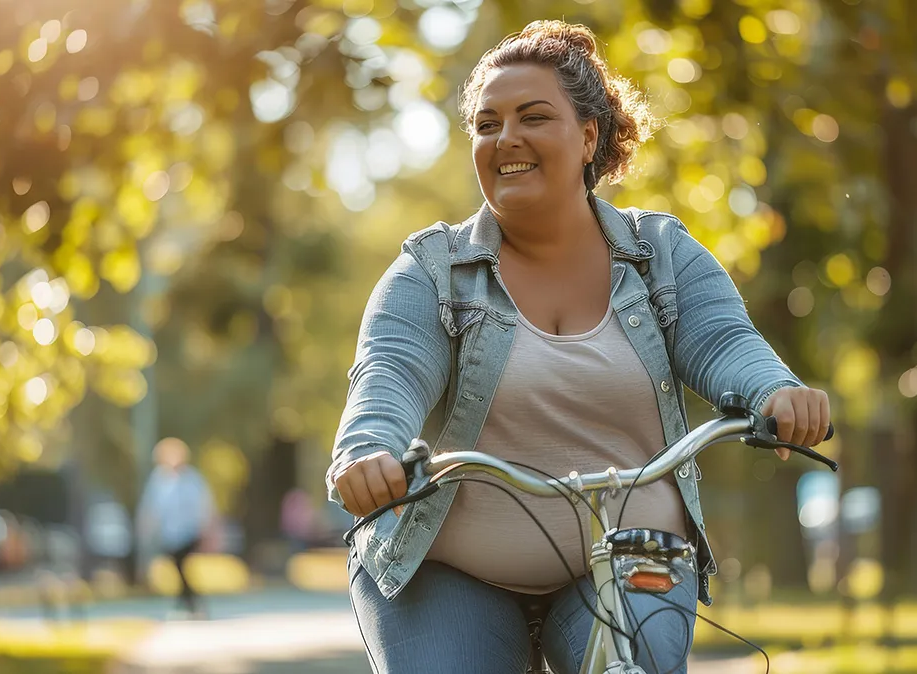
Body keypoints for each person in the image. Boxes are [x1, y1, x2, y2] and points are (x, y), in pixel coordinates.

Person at [326, 20, 832, 673]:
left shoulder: (663, 257)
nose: (506, 138)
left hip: (628, 557)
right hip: (446, 570)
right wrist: (368, 452)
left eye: (533, 117)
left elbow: (727, 340)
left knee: (640, 663)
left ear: (589, 135)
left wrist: (777, 392)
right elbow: (388, 377)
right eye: (487, 125)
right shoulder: (430, 272)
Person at [137, 437, 217, 619]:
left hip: (189, 532)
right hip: (169, 533)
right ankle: (187, 603)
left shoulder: (192, 479)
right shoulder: (159, 479)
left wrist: (208, 530)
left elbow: (204, 506)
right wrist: (147, 529)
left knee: (180, 566)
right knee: (179, 569)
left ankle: (188, 603)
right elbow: (152, 507)